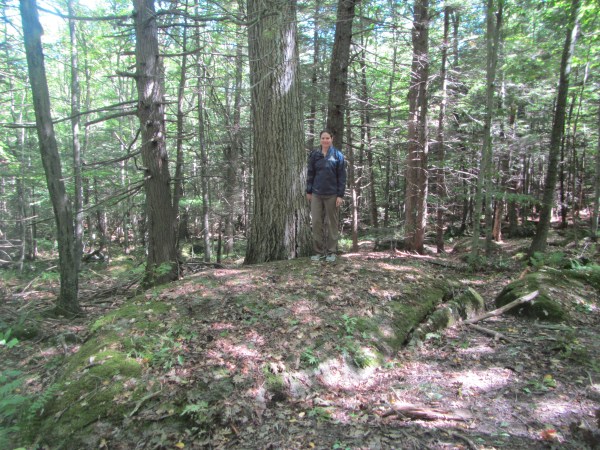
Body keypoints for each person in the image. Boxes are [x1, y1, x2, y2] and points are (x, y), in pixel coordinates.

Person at [306, 130, 347, 262]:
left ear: (332, 139)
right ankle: (318, 252)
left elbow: (342, 176)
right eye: (323, 138)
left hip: (332, 195)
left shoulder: (338, 155)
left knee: (332, 224)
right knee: (316, 222)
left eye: (327, 138)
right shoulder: (314, 155)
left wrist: (340, 195)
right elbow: (310, 173)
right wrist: (309, 191)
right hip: (316, 194)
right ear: (320, 140)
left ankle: (331, 252)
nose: (325, 140)